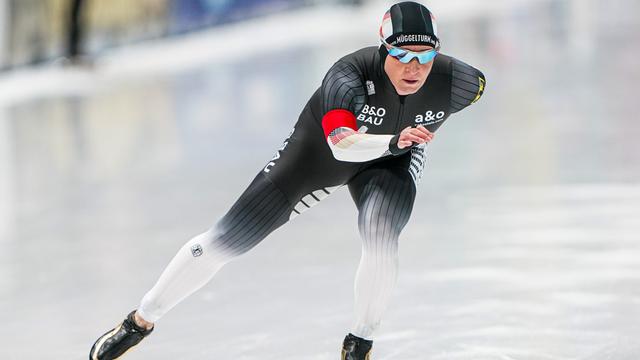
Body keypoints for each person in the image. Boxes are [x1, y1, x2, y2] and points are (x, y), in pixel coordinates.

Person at [89, 2, 486, 359]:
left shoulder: (462, 82)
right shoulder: (348, 76)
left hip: (391, 164)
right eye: (401, 55)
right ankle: (138, 323)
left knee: (381, 237)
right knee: (224, 241)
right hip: (316, 158)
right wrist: (397, 137)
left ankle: (358, 346)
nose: (413, 68)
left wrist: (406, 145)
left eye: (425, 55)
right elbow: (342, 145)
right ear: (383, 49)